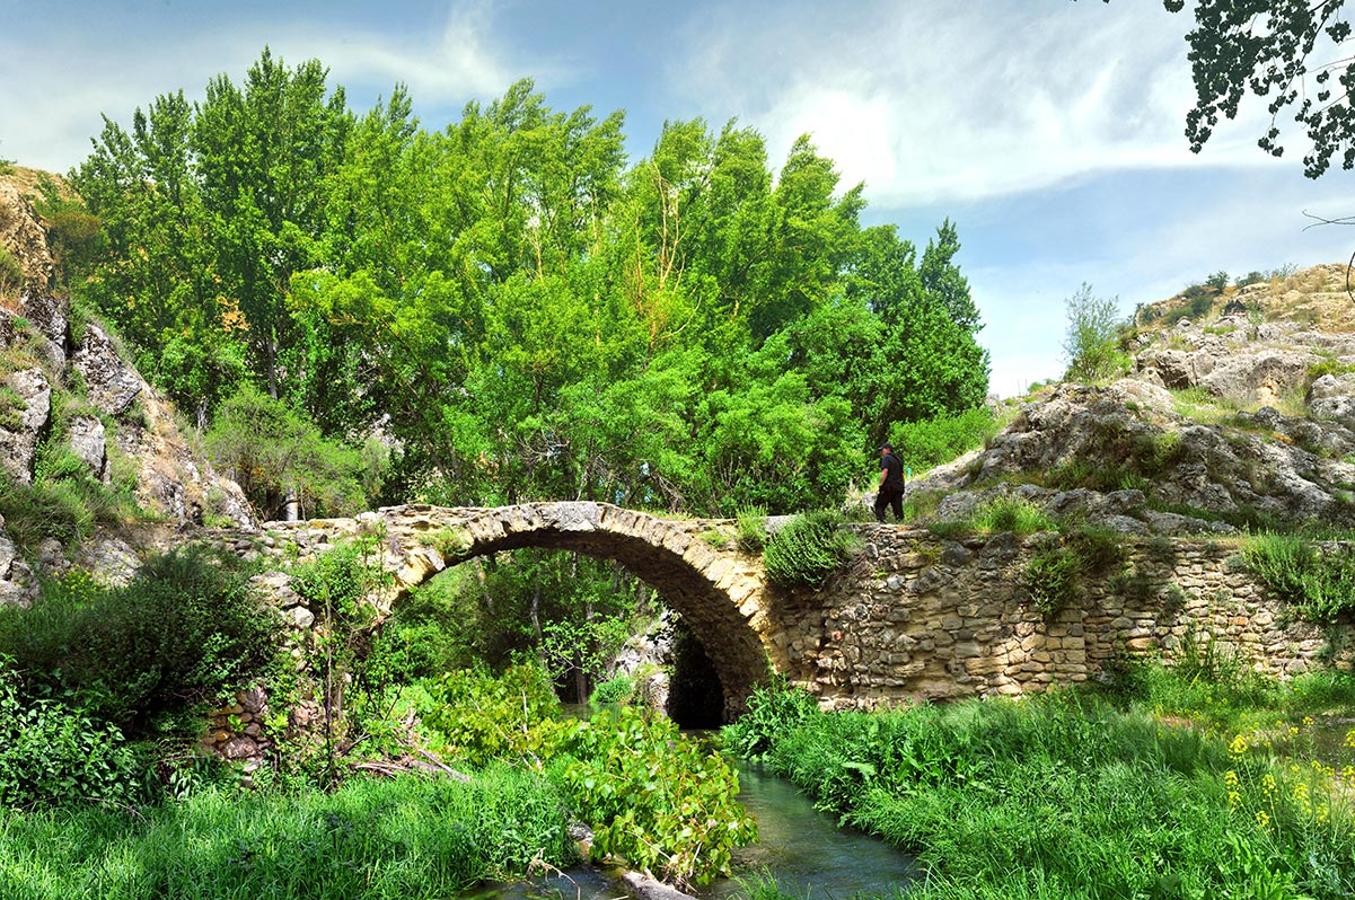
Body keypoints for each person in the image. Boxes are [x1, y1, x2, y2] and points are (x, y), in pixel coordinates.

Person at [874, 443, 905, 523]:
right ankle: (900, 524)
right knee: (898, 509)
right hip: (898, 487)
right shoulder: (898, 460)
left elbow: (885, 471)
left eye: (882, 450)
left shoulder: (886, 458)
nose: (881, 452)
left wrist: (880, 485)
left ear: (888, 449)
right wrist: (902, 485)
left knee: (879, 506)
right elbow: (902, 474)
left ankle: (882, 523)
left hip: (888, 487)